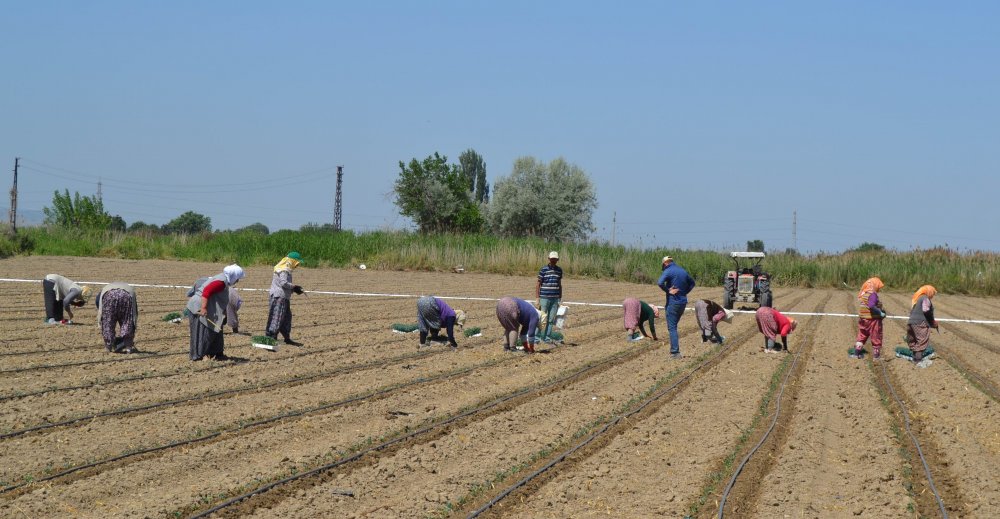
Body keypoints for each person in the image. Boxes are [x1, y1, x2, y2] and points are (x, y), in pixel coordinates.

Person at [187, 264, 245, 361]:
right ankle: (198, 356)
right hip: (198, 306)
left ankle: (217, 353)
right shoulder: (221, 282)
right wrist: (204, 308)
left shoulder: (224, 280)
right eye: (237, 279)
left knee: (217, 329)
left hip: (207, 306)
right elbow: (206, 292)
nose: (237, 281)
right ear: (233, 276)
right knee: (203, 332)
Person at [657, 256, 696, 358]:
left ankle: (675, 352)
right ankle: (674, 350)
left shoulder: (668, 271)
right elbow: (692, 283)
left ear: (665, 264)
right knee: (674, 326)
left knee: (672, 328)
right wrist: (684, 292)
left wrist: (668, 290)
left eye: (663, 266)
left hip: (673, 303)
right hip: (682, 303)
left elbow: (660, 282)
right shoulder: (682, 271)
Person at [266, 251, 305, 346]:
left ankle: (286, 338)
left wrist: (294, 290)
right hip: (279, 297)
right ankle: (271, 338)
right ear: (292, 261)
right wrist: (294, 287)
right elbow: (283, 283)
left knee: (287, 317)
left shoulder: (285, 269)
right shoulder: (284, 270)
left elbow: (284, 285)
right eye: (297, 263)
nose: (297, 266)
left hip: (283, 297)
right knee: (277, 317)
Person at [95, 282, 139, 353]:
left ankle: (108, 347)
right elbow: (134, 310)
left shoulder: (102, 292)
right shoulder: (128, 288)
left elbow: (98, 303)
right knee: (127, 321)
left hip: (109, 296)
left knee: (108, 323)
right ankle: (128, 347)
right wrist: (133, 323)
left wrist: (104, 315)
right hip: (127, 295)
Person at [854, 277, 886, 359]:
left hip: (863, 319)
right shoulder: (872, 295)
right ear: (874, 286)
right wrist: (880, 313)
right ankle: (876, 356)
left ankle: (856, 353)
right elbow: (871, 306)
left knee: (862, 335)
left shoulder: (864, 294)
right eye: (878, 287)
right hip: (872, 320)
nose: (879, 289)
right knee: (876, 336)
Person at [906, 285, 938, 366]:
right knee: (921, 342)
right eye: (932, 293)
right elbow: (926, 310)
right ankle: (918, 361)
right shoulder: (925, 298)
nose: (932, 296)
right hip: (920, 323)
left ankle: (914, 359)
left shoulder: (916, 299)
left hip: (911, 323)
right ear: (929, 292)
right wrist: (932, 321)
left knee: (914, 342)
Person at [536, 251, 563, 343]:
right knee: (542, 318)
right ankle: (536, 337)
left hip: (555, 298)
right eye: (552, 259)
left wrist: (560, 298)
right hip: (544, 297)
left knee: (551, 319)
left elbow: (559, 285)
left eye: (555, 259)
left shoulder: (559, 270)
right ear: (549, 259)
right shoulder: (543, 269)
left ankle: (546, 337)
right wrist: (537, 297)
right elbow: (538, 284)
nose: (553, 261)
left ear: (557, 260)